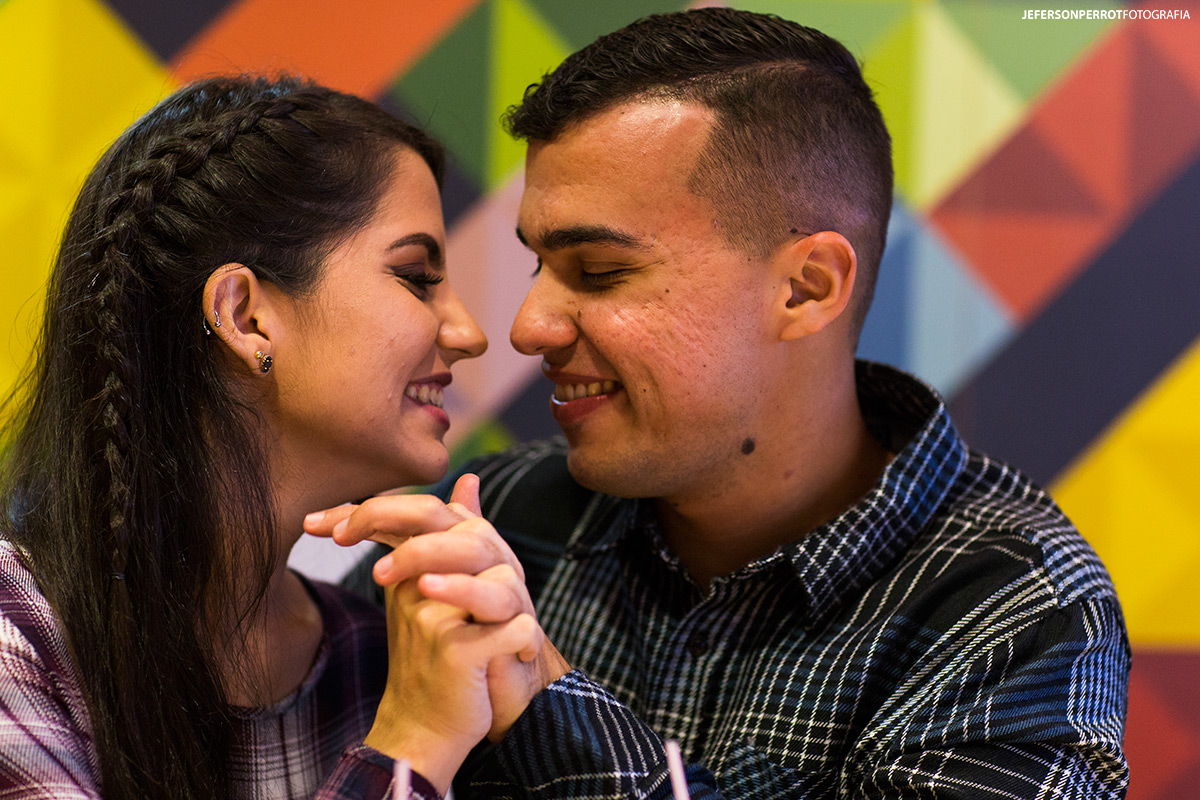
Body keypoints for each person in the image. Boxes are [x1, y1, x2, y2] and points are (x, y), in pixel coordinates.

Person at [322, 7, 1131, 798]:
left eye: (600, 272)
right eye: (539, 265)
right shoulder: (498, 518)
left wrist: (545, 704)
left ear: (806, 289)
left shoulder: (1019, 610)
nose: (528, 327)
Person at [0, 74, 545, 799]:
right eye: (416, 277)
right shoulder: (17, 631)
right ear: (246, 316)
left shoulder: (383, 652)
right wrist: (411, 749)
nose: (470, 334)